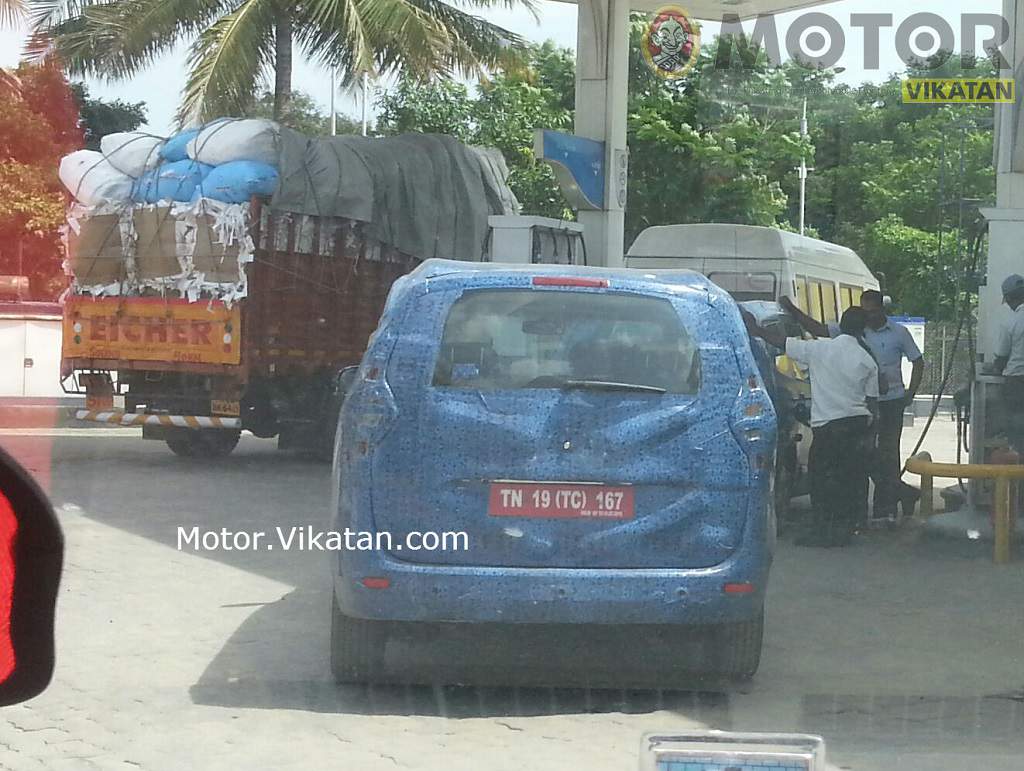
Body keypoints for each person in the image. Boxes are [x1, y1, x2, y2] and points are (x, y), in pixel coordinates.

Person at [780, 291, 924, 520]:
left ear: (882, 309)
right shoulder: (854, 330)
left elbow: (918, 361)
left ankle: (884, 510)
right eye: (865, 311)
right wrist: (793, 310)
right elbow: (818, 330)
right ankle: (886, 499)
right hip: (862, 405)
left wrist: (910, 393)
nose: (869, 316)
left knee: (887, 455)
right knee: (863, 457)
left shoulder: (899, 333)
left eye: (873, 311)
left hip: (889, 402)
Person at [744, 307, 879, 547]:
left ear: (840, 326)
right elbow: (872, 402)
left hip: (828, 427)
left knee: (821, 479)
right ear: (863, 329)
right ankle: (845, 529)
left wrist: (756, 330)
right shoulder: (867, 360)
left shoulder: (819, 349)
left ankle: (822, 530)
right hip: (856, 425)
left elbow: (782, 342)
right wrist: (870, 435)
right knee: (848, 479)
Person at [989, 274, 1024, 453]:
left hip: (1016, 383)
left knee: (1017, 429)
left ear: (1009, 298)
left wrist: (995, 368)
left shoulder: (1010, 322)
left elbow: (1001, 357)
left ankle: (1017, 473)